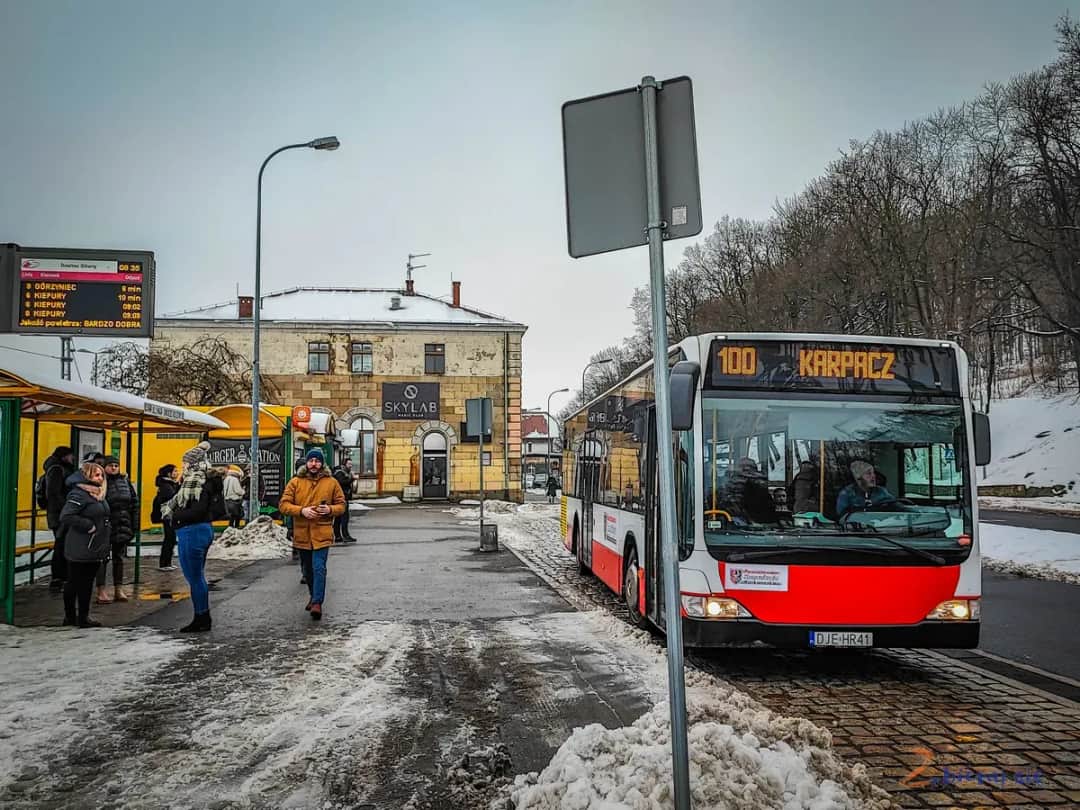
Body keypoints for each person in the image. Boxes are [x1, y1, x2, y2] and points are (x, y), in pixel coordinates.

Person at [162, 441, 224, 633]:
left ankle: (201, 618)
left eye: (185, 463)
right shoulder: (205, 479)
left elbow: (197, 510)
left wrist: (176, 518)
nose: (183, 467)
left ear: (192, 463)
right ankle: (202, 616)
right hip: (202, 530)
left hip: (192, 531)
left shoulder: (196, 482)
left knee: (195, 577)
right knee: (197, 577)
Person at [279, 449, 346, 621]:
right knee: (308, 570)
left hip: (322, 533)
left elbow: (342, 505)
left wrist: (330, 509)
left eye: (317, 461)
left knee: (319, 568)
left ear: (322, 463)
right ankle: (312, 595)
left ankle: (317, 602)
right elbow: (284, 505)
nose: (314, 464)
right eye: (311, 461)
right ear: (306, 463)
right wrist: (302, 511)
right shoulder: (295, 482)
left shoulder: (331, 482)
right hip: (302, 534)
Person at [58, 462, 111, 628]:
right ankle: (70, 616)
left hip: (95, 545)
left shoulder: (98, 493)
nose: (100, 478)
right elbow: (66, 516)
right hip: (80, 545)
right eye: (96, 475)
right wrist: (88, 525)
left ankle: (83, 616)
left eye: (101, 475)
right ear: (86, 475)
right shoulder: (79, 494)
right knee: (74, 581)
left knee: (87, 583)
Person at [96, 456, 137, 603]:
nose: (114, 468)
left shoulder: (125, 481)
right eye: (110, 465)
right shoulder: (100, 481)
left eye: (116, 465)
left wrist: (134, 525)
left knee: (118, 558)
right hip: (106, 524)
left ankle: (118, 589)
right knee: (103, 558)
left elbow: (134, 503)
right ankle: (101, 590)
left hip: (122, 524)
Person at [43, 445, 75, 591]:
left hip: (60, 513)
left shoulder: (58, 468)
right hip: (60, 515)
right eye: (70, 456)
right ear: (64, 456)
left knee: (63, 544)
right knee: (61, 545)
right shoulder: (56, 469)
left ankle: (63, 577)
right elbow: (53, 493)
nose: (72, 458)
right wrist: (67, 508)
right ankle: (58, 578)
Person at [728, 458, 776, 523]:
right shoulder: (731, 487)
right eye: (743, 468)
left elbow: (768, 510)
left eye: (750, 468)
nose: (747, 471)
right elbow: (732, 507)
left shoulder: (761, 488)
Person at [152, 464, 180, 571]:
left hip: (169, 515)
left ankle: (167, 562)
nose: (177, 473)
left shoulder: (169, 484)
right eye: (175, 471)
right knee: (169, 539)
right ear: (169, 474)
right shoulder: (166, 486)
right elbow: (173, 499)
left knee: (171, 539)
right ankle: (164, 564)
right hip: (168, 515)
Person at [332, 458, 356, 543]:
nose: (351, 466)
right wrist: (352, 479)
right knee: (344, 518)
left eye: (351, 464)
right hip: (341, 498)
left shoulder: (344, 472)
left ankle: (338, 536)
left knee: (338, 518)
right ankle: (345, 536)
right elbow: (342, 482)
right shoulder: (339, 472)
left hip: (342, 497)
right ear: (344, 464)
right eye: (349, 464)